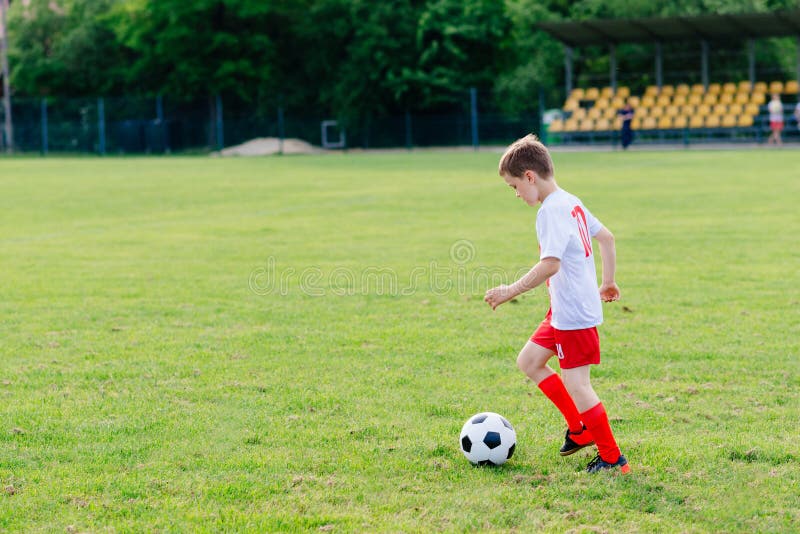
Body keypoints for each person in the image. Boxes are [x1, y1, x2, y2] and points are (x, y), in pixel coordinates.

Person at [484, 134, 628, 474]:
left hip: (573, 314)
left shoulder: (550, 211)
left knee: (578, 384)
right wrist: (606, 281)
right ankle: (579, 429)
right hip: (563, 309)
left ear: (530, 176)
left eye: (514, 186)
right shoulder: (570, 200)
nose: (517, 194)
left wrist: (510, 290)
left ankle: (612, 458)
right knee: (530, 361)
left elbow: (551, 264)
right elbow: (606, 237)